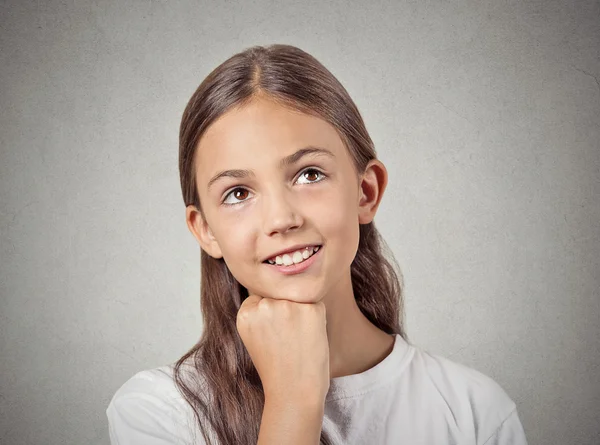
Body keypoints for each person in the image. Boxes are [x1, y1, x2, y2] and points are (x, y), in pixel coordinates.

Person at [106, 44, 528, 445]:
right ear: (206, 231)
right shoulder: (158, 413)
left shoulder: (474, 412)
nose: (282, 219)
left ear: (366, 192)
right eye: (238, 193)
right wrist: (294, 399)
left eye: (309, 174)